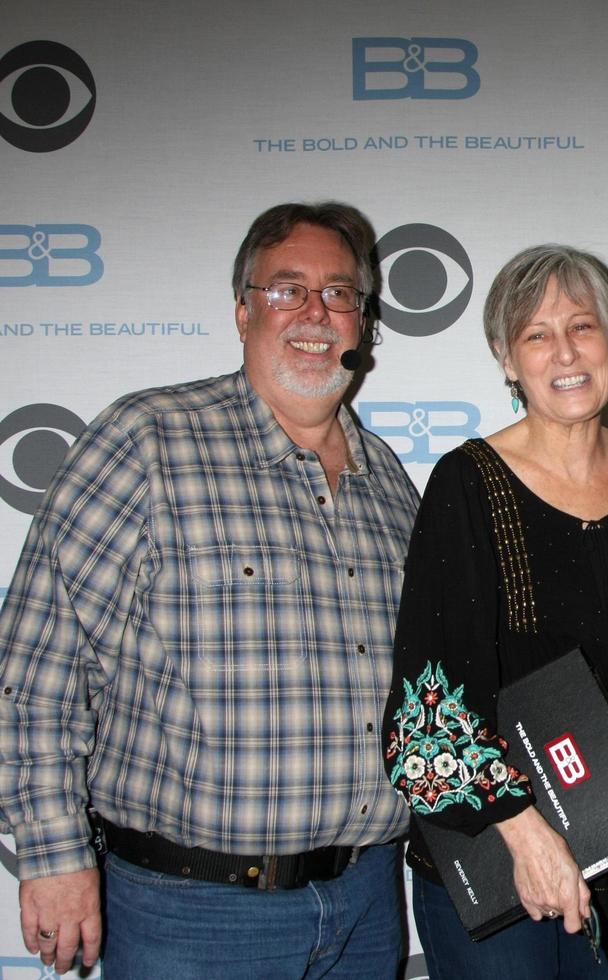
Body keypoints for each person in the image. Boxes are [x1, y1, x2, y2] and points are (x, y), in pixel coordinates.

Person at [0, 202, 421, 977]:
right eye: (285, 289)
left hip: (366, 900)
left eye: (338, 294)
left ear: (362, 322)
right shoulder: (150, 439)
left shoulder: (391, 481)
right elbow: (37, 667)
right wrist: (56, 857)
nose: (314, 313)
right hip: (192, 915)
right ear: (241, 311)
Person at [381, 244, 608, 978]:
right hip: (501, 860)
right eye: (538, 335)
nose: (565, 352)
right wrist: (526, 834)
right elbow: (427, 710)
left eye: (584, 327)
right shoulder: (469, 484)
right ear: (507, 360)